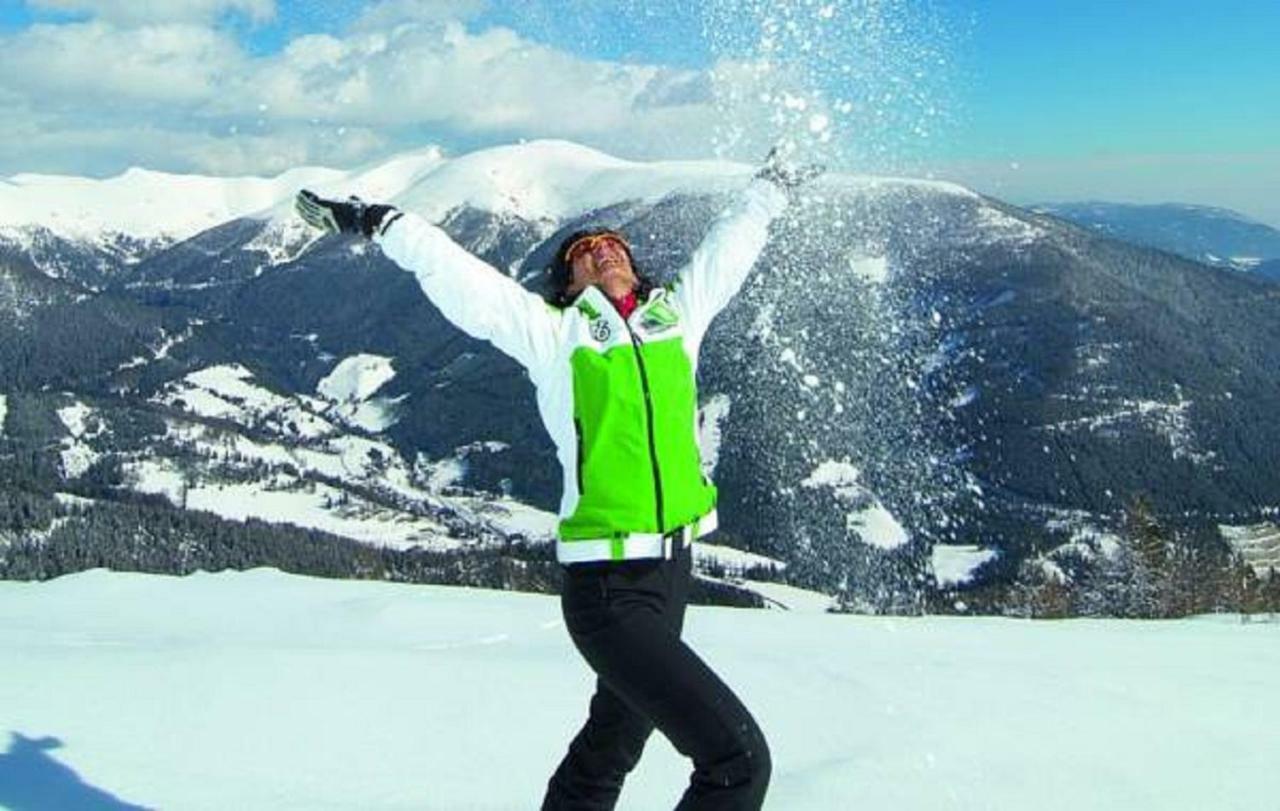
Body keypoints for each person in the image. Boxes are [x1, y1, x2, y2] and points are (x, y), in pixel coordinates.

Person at [295, 148, 819, 811]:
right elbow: (456, 273)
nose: (603, 251)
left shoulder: (677, 320)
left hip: (670, 571)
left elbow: (729, 248)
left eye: (613, 244)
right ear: (567, 283)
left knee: (612, 745)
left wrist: (771, 186)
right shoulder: (554, 336)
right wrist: (377, 220)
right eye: (584, 250)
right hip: (607, 590)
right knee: (737, 760)